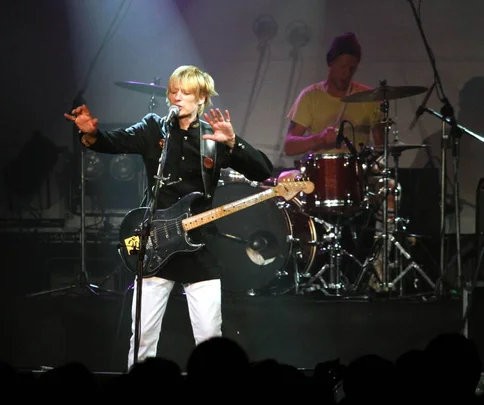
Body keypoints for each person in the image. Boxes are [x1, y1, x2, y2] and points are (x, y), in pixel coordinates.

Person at [64, 65, 273, 369]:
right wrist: (92, 134)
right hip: (155, 243)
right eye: (173, 91)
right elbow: (114, 142)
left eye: (184, 92)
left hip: (198, 245)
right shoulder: (154, 129)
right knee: (144, 336)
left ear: (201, 98)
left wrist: (232, 142)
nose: (176, 97)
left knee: (210, 337)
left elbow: (264, 171)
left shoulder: (212, 137)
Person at [282, 32, 396, 292]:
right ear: (331, 63)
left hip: (356, 174)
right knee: (284, 183)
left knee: (390, 187)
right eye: (344, 66)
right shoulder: (310, 96)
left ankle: (378, 268)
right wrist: (319, 139)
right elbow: (290, 145)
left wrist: (377, 153)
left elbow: (381, 147)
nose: (348, 72)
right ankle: (298, 263)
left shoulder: (368, 98)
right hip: (317, 176)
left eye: (353, 67)